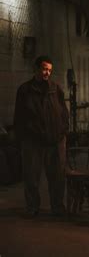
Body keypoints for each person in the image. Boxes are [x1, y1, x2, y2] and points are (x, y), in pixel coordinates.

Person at [14, 55, 69, 217]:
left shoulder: (55, 88)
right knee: (31, 176)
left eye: (50, 70)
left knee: (57, 177)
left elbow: (63, 111)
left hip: (55, 140)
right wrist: (22, 138)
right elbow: (19, 116)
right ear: (36, 69)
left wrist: (64, 131)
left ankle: (57, 207)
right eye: (44, 69)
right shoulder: (25, 90)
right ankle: (32, 208)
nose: (47, 73)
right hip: (33, 141)